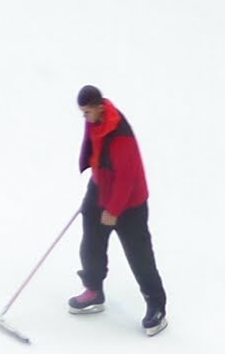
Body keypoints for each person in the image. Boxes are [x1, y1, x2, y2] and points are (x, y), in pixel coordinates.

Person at [68, 85, 167, 337]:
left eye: (87, 112)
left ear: (100, 107)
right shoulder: (94, 120)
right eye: (82, 113)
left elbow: (127, 178)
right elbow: (96, 153)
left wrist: (113, 210)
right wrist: (93, 190)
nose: (84, 117)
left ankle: (156, 306)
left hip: (129, 203)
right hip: (100, 189)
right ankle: (94, 290)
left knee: (139, 256)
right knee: (90, 245)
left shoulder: (121, 135)